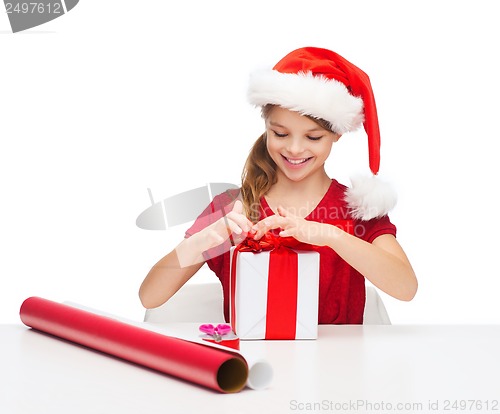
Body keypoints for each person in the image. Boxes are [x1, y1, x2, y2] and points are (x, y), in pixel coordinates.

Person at [139, 47, 417, 324]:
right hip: (253, 365)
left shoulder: (355, 209)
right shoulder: (233, 207)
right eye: (280, 133)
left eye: (313, 137)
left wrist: (332, 236)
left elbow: (406, 288)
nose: (295, 149)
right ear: (266, 127)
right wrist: (201, 241)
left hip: (338, 366)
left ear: (337, 135)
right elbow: (149, 297)